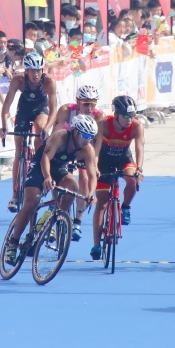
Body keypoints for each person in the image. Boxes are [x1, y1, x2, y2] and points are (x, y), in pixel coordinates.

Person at [4, 115, 98, 265]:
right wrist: (47, 177)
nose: (88, 140)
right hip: (40, 166)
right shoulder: (60, 137)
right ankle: (13, 244)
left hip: (59, 169)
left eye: (91, 137)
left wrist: (91, 193)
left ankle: (53, 217)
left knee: (73, 186)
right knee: (31, 203)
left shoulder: (88, 150)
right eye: (85, 136)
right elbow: (45, 159)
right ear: (75, 132)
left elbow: (92, 175)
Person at [0, 52, 57, 212]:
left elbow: (53, 110)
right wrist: (4, 125)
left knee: (40, 129)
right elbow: (7, 105)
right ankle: (14, 195)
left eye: (38, 70)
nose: (35, 74)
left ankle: (39, 168)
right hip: (24, 109)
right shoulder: (18, 80)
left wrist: (47, 129)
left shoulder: (49, 81)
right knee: (19, 151)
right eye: (32, 70)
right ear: (26, 71)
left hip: (41, 109)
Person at [91, 95, 145, 260]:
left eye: (132, 115)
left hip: (124, 159)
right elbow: (96, 150)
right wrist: (95, 168)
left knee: (132, 178)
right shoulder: (103, 124)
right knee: (101, 202)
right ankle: (96, 245)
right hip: (104, 161)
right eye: (126, 116)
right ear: (116, 115)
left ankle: (126, 207)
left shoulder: (137, 126)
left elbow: (139, 148)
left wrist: (139, 168)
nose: (129, 119)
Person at [53, 85, 106, 241]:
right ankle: (55, 207)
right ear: (78, 102)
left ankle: (77, 221)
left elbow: (96, 144)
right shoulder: (66, 110)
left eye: (93, 104)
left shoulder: (99, 116)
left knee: (84, 178)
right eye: (86, 103)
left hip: (83, 150)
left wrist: (95, 164)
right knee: (58, 175)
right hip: (65, 147)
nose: (90, 108)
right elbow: (55, 134)